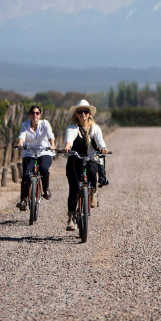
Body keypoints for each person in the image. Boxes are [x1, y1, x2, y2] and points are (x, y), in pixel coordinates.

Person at [63, 99, 109, 231]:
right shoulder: (72, 128)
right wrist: (67, 147)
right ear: (76, 114)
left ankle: (93, 192)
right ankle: (71, 218)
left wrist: (103, 149)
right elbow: (69, 139)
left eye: (85, 111)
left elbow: (100, 142)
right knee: (73, 189)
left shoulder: (94, 128)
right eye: (80, 111)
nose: (83, 114)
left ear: (89, 114)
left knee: (91, 173)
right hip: (74, 161)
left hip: (91, 159)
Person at [16, 105, 56, 211]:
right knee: (25, 175)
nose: (35, 115)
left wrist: (52, 144)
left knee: (43, 168)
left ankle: (46, 189)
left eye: (37, 113)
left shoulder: (45, 123)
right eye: (33, 113)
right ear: (29, 115)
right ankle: (24, 199)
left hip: (44, 151)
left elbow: (50, 135)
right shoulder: (25, 125)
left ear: (40, 115)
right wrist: (20, 144)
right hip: (29, 152)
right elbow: (22, 136)